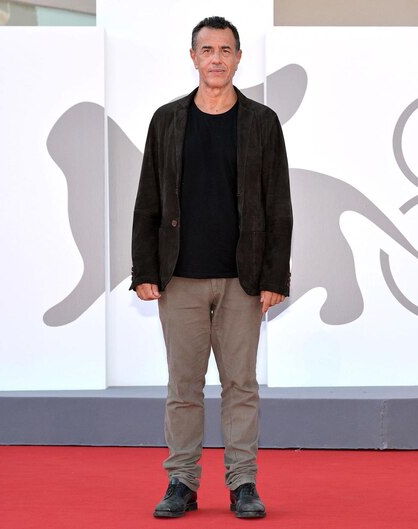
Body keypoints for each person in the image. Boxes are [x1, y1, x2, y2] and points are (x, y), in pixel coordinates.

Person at [130, 15, 292, 520]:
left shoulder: (262, 123)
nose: (217, 58)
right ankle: (182, 481)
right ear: (194, 57)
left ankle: (243, 484)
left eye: (226, 50)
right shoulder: (167, 120)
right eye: (207, 50)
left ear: (239, 58)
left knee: (241, 386)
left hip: (243, 281)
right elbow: (148, 200)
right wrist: (144, 270)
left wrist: (273, 277)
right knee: (183, 386)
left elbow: (278, 205)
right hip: (179, 278)